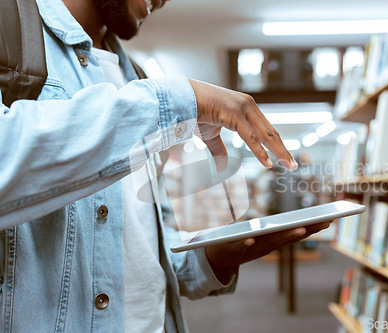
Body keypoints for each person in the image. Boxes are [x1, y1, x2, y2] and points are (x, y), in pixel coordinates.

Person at [0, 0, 332, 331]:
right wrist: (178, 99)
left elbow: (143, 248)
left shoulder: (134, 76)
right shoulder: (10, 33)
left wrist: (213, 257)